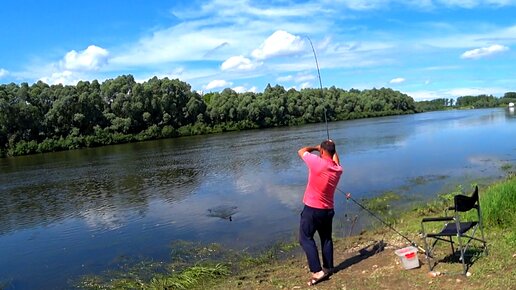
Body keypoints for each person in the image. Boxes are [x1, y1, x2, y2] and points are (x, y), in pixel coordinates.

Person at [297, 139, 343, 286]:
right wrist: (329, 148)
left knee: (305, 238)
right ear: (333, 152)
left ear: (323, 152)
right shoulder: (338, 169)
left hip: (312, 210)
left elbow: (301, 151)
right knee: (326, 238)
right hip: (328, 211)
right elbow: (335, 159)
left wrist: (315, 148)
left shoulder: (317, 162)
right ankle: (329, 267)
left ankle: (317, 271)